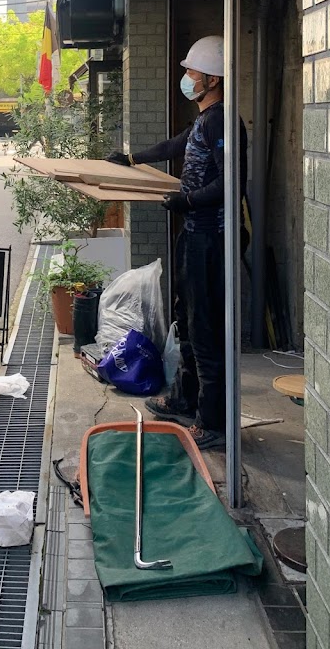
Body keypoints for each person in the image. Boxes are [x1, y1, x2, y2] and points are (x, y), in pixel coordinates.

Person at [107, 35, 247, 450]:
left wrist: (186, 200)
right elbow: (175, 145)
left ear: (212, 79)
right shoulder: (204, 120)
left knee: (205, 330)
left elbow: (230, 183)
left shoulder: (223, 121)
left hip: (212, 240)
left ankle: (213, 422)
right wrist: (133, 159)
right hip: (194, 235)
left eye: (191, 72)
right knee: (186, 320)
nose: (186, 78)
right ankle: (186, 400)